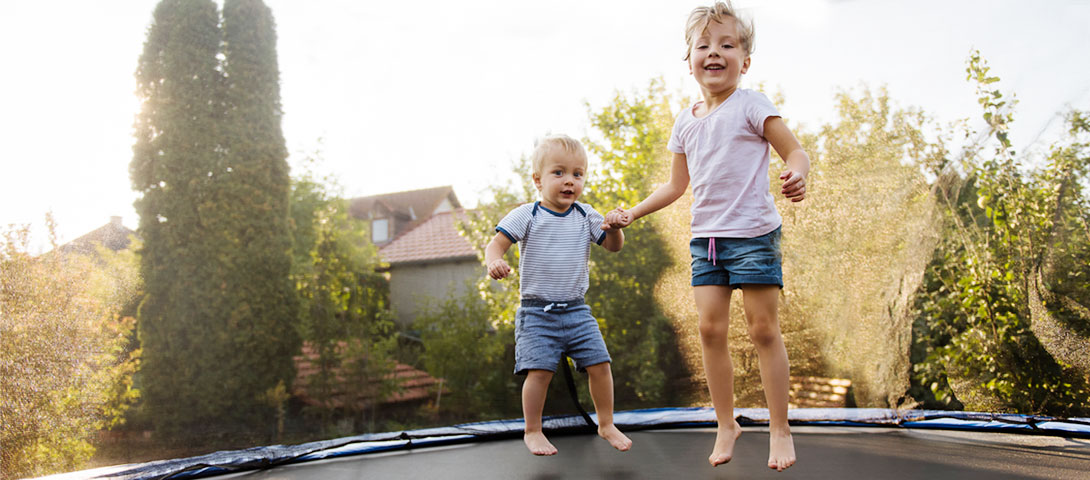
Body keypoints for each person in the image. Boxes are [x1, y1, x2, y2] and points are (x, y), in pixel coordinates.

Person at [603, 1, 809, 472]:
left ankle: (780, 428)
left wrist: (797, 175)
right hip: (707, 241)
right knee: (710, 330)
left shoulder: (752, 104)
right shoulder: (686, 119)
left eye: (727, 45)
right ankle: (725, 423)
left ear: (745, 60)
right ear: (689, 60)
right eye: (704, 45)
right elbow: (677, 186)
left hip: (754, 235)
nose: (714, 53)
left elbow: (794, 152)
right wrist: (631, 212)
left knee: (762, 329)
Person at [485, 134, 633, 456]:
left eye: (577, 174)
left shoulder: (586, 214)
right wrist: (495, 261)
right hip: (537, 313)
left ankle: (606, 424)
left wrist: (614, 227)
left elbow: (613, 246)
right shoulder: (528, 214)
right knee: (539, 372)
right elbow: (496, 244)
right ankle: (533, 430)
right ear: (538, 180)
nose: (570, 181)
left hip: (577, 311)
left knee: (601, 364)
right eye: (559, 173)